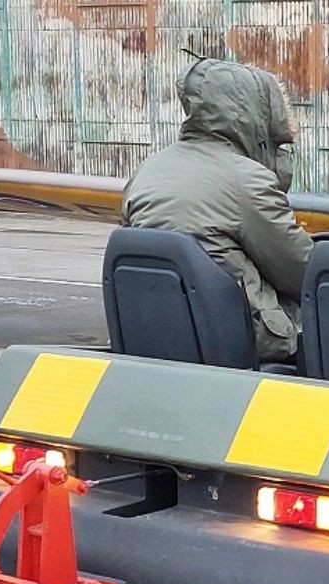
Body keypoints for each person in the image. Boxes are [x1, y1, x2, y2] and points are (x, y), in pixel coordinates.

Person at [122, 58, 313, 363]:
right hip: (240, 336)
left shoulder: (148, 170)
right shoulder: (246, 179)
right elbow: (301, 272)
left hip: (160, 329)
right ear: (255, 113)